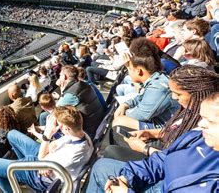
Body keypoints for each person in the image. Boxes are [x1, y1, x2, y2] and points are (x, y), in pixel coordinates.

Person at [86, 92, 219, 193]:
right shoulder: (197, 135)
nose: (201, 124)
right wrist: (127, 176)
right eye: (202, 118)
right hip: (159, 182)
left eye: (211, 121)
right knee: (101, 166)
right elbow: (162, 159)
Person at [104, 65, 219, 162]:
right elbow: (173, 129)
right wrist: (149, 133)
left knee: (110, 153)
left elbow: (180, 162)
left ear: (197, 94)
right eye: (172, 92)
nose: (174, 97)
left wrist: (144, 149)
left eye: (178, 94)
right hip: (163, 145)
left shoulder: (204, 126)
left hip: (162, 160)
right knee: (117, 130)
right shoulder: (188, 111)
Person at [0, 106, 93, 193]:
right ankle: (20, 175)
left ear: (68, 129)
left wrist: (47, 134)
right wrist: (47, 147)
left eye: (60, 126)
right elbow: (52, 146)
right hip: (44, 159)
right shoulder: (80, 135)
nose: (58, 128)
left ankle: (21, 173)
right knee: (12, 134)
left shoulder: (73, 153)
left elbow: (42, 158)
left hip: (38, 174)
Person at [113, 38, 179, 130]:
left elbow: (139, 115)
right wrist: (125, 104)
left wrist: (123, 112)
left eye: (130, 69)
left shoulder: (158, 88)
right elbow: (140, 96)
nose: (129, 71)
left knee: (119, 121)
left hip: (164, 130)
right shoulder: (156, 78)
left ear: (139, 71)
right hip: (158, 119)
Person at [53, 66, 104, 139]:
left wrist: (61, 86)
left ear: (64, 77)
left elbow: (56, 110)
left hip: (89, 131)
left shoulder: (71, 94)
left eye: (60, 75)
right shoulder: (83, 84)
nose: (59, 77)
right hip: (98, 121)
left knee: (48, 117)